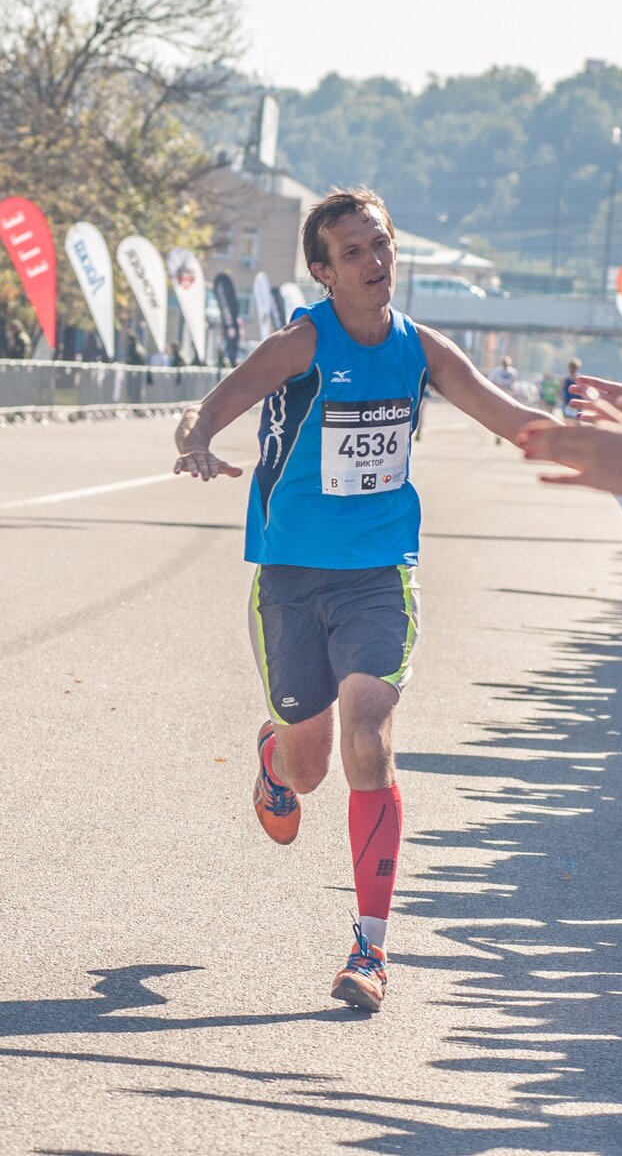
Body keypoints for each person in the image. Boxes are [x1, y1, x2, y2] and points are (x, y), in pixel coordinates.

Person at [172, 187, 551, 1012]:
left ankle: (371, 949)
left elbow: (514, 418)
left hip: (380, 576)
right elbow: (214, 404)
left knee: (369, 737)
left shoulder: (423, 349)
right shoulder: (303, 341)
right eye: (353, 253)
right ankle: (276, 755)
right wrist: (196, 440)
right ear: (323, 271)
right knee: (311, 771)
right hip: (289, 578)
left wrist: (621, 452)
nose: (375, 263)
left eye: (380, 245)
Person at [489, 355, 518, 444]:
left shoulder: (513, 372)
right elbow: (490, 382)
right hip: (498, 396)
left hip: (509, 397)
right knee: (498, 417)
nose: (505, 365)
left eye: (507, 363)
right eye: (504, 363)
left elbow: (514, 384)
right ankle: (498, 435)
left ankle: (503, 434)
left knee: (507, 417)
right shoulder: (496, 372)